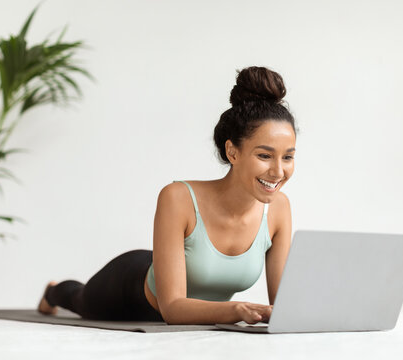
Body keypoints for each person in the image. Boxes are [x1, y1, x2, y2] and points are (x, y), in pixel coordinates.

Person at [37, 66, 296, 325]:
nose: (278, 171)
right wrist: (236, 310)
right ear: (233, 152)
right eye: (264, 155)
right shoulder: (178, 197)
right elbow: (171, 308)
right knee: (78, 299)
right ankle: (52, 291)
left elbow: (284, 307)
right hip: (128, 289)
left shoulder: (278, 209)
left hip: (177, 286)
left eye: (288, 157)